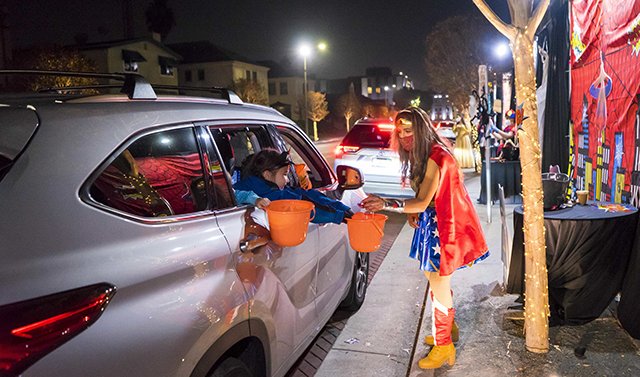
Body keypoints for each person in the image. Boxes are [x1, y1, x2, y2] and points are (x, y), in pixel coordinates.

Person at [360, 107, 489, 370]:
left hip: (445, 226)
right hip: (436, 222)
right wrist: (415, 211)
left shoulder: (436, 156)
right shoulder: (428, 153)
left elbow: (420, 202)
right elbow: (424, 201)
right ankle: (446, 330)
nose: (405, 136)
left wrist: (386, 203)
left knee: (439, 281)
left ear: (421, 129)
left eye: (409, 130)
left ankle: (444, 346)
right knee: (436, 280)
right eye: (400, 132)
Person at [233, 148, 353, 224]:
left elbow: (307, 194)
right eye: (285, 175)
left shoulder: (259, 187)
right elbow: (306, 208)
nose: (287, 180)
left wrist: (341, 208)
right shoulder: (274, 196)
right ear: (267, 175)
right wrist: (340, 216)